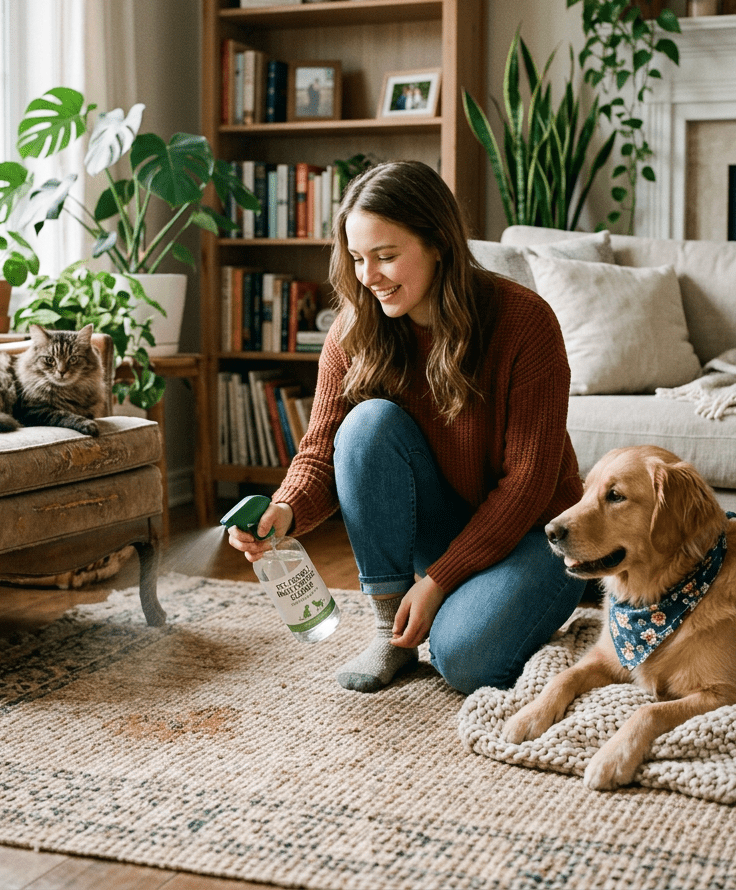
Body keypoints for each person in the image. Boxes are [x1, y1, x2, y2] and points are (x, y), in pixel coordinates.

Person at [227, 160, 586, 695]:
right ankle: (388, 631)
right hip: (443, 524)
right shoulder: (353, 330)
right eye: (356, 259)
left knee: (464, 662)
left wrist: (440, 581)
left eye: (386, 256)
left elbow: (529, 483)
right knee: (365, 424)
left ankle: (529, 603)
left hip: (538, 535)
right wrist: (285, 509)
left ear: (438, 243)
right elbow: (322, 449)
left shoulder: (524, 321)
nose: (368, 277)